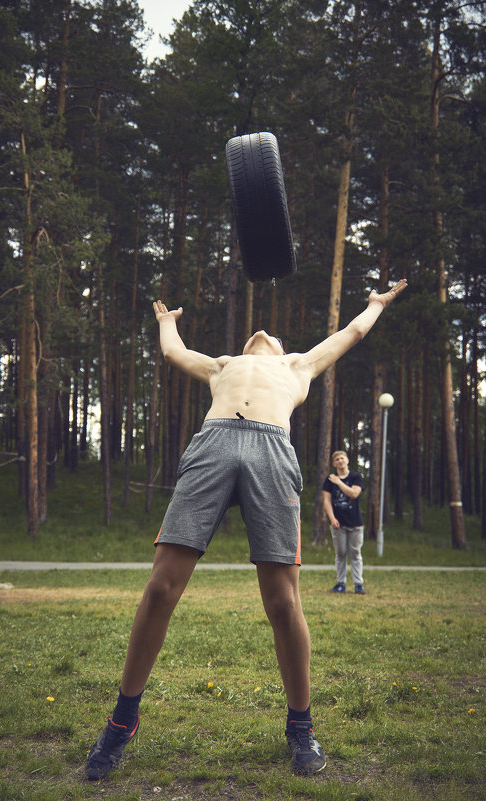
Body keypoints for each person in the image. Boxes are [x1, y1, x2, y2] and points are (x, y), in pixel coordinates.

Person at [85, 278, 407, 782]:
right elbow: (175, 353)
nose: (263, 333)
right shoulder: (223, 365)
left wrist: (374, 306)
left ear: (284, 349)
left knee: (283, 601)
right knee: (160, 587)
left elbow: (350, 334)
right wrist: (167, 323)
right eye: (257, 334)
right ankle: (122, 720)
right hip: (213, 445)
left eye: (273, 334)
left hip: (272, 453)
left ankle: (300, 726)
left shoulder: (298, 365)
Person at [323, 451, 366, 594]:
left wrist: (339, 482)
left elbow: (354, 494)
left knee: (355, 553)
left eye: (342, 458)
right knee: (340, 553)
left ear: (347, 460)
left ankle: (358, 584)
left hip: (355, 523)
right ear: (334, 463)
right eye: (337, 459)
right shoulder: (329, 480)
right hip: (338, 524)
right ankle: (341, 583)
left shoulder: (356, 477)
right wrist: (332, 518)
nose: (340, 461)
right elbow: (326, 501)